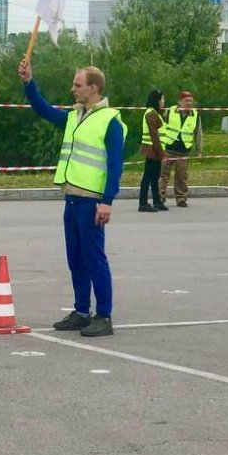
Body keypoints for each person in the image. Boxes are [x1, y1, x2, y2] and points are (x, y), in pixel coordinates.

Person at [18, 57, 125, 338]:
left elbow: (115, 166)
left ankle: (103, 315)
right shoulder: (74, 115)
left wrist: (107, 201)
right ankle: (81, 311)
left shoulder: (110, 121)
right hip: (72, 196)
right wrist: (29, 82)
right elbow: (42, 109)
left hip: (92, 200)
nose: (72, 89)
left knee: (94, 258)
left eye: (78, 84)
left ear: (94, 88)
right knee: (75, 258)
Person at [159, 91, 203, 208]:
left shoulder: (195, 115)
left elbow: (198, 133)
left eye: (191, 101)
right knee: (163, 175)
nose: (189, 103)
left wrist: (199, 150)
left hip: (184, 151)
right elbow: (160, 127)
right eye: (186, 101)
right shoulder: (170, 111)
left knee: (181, 176)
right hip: (168, 148)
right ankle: (160, 197)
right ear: (180, 102)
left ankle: (181, 198)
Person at [138, 89, 168, 212]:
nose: (163, 101)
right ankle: (143, 203)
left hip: (154, 150)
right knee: (148, 177)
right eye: (162, 99)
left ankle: (157, 201)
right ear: (157, 100)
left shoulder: (155, 113)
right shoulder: (151, 114)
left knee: (154, 177)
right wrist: (161, 153)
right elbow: (154, 135)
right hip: (152, 150)